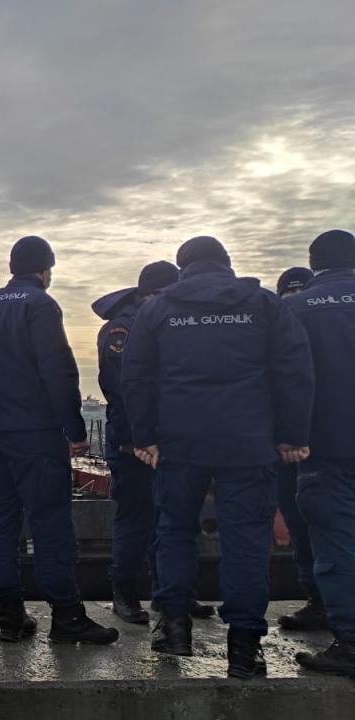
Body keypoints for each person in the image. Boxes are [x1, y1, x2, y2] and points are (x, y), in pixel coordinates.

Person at [123, 236, 313, 679]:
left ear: (182, 268)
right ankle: (245, 647)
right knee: (246, 540)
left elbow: (136, 376)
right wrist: (291, 435)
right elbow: (294, 370)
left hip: (180, 442)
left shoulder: (157, 309)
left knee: (174, 530)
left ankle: (174, 629)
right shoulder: (264, 305)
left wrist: (144, 437)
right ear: (226, 264)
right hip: (248, 443)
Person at [0, 236, 119, 645]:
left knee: (2, 519)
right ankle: (67, 616)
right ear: (45, 269)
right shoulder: (40, 304)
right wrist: (75, 430)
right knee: (51, 524)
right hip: (34, 433)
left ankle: (10, 617)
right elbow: (58, 369)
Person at [92, 261, 179, 624]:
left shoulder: (157, 320)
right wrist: (136, 440)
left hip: (165, 437)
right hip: (132, 443)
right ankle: (124, 592)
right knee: (135, 517)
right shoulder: (123, 328)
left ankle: (169, 592)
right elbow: (123, 388)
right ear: (156, 293)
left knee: (171, 517)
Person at [288, 230, 355, 677]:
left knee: (336, 543)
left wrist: (290, 436)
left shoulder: (298, 308)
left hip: (327, 443)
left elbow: (287, 376)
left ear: (312, 263)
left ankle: (350, 642)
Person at [273, 267, 328, 632]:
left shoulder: (280, 325)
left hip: (303, 445)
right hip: (302, 446)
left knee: (319, 527)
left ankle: (325, 604)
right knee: (304, 526)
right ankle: (319, 600)